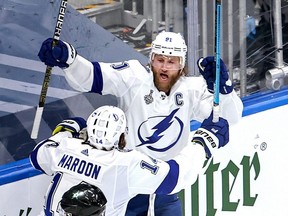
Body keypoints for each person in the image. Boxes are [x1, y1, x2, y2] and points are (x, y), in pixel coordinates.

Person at [37, 31, 243, 215]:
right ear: (151, 59)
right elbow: (91, 76)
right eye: (159, 59)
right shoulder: (132, 77)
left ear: (181, 64)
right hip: (127, 185)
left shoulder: (193, 89)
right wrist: (70, 60)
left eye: (171, 62)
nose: (164, 67)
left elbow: (230, 117)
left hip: (165, 188)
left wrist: (224, 91)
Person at [30, 105, 229, 216]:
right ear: (121, 137)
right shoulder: (124, 164)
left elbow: (37, 156)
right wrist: (204, 141)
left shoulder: (65, 148)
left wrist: (67, 130)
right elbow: (175, 178)